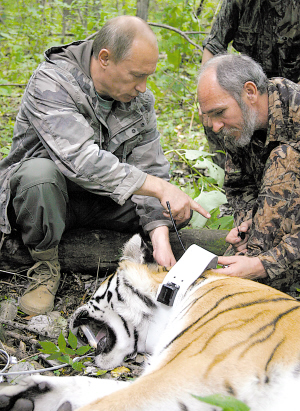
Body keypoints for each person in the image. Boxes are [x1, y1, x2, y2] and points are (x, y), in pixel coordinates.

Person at [0, 16, 210, 316]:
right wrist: (159, 187)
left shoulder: (138, 99)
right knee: (39, 176)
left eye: (148, 76)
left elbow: (150, 164)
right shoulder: (51, 82)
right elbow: (81, 160)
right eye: (137, 75)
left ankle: (152, 251)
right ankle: (45, 265)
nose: (143, 87)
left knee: (175, 209)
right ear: (105, 59)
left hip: (97, 199)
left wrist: (160, 234)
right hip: (40, 201)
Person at [197, 53, 300, 296]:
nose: (215, 126)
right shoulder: (240, 125)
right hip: (275, 245)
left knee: (284, 158)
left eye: (219, 112)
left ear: (250, 92)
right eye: (209, 116)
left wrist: (263, 264)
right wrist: (246, 225)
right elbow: (239, 185)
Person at [201, 0, 300, 167]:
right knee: (217, 116)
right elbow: (214, 46)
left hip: (293, 94)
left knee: (284, 160)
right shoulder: (238, 2)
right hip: (251, 91)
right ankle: (228, 179)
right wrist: (205, 101)